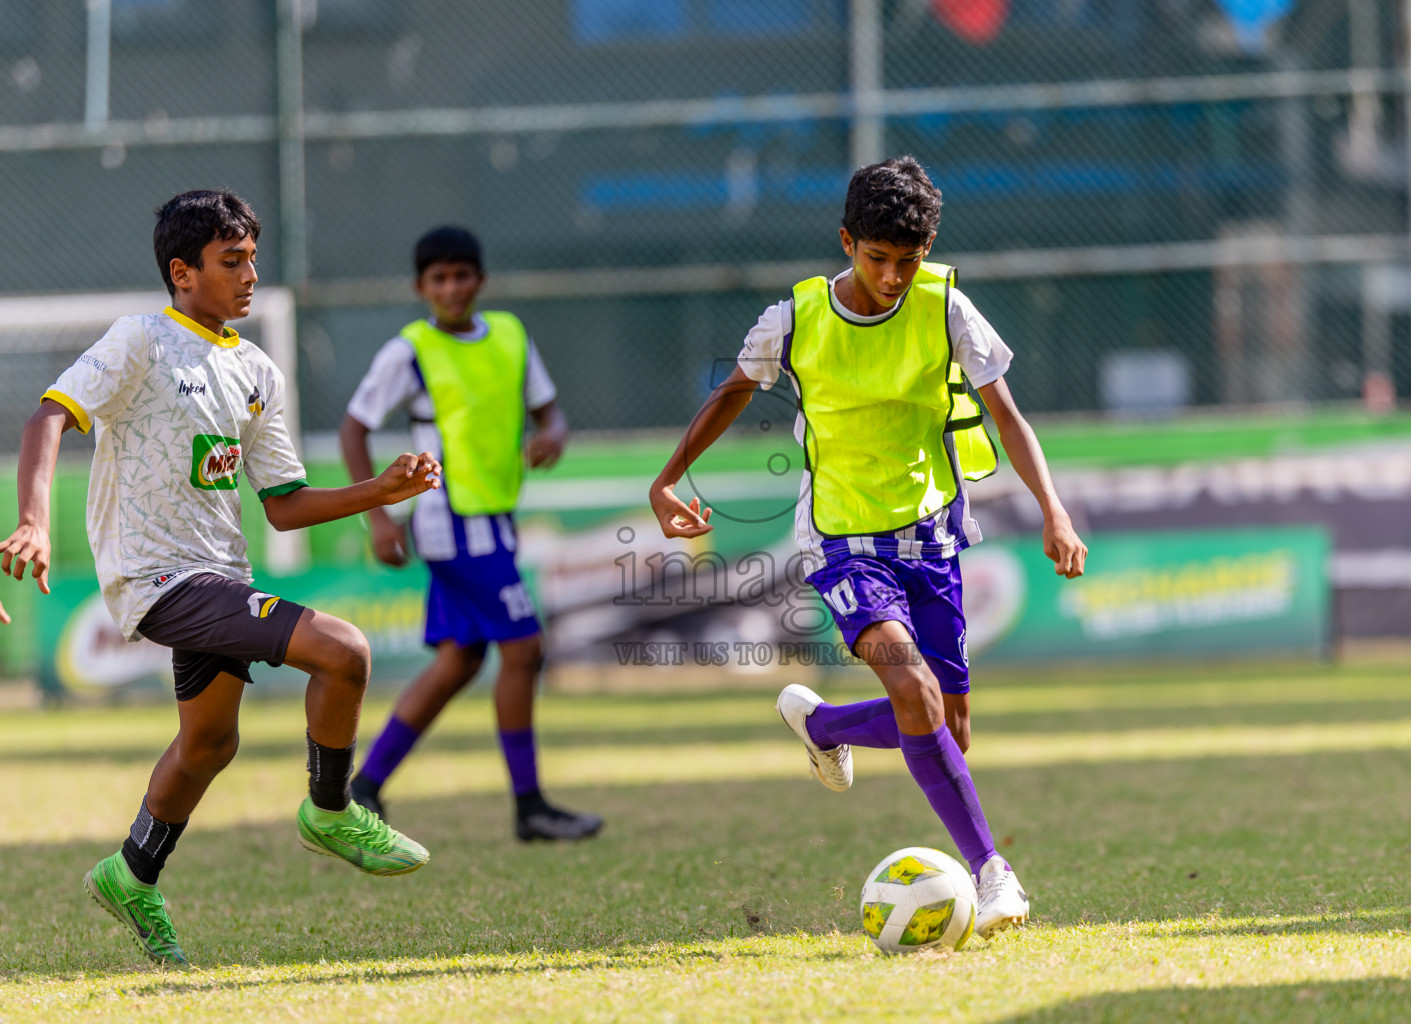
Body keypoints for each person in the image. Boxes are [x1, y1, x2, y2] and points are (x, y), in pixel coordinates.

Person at [647, 157, 1087, 937]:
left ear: (927, 251)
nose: (891, 276)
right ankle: (994, 873)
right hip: (841, 541)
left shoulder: (948, 307)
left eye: (907, 261)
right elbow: (732, 393)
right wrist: (668, 477)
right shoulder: (794, 319)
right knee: (910, 686)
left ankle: (824, 728)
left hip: (932, 534)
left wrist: (1052, 508)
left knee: (946, 727)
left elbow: (1007, 416)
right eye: (876, 258)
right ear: (847, 242)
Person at [0, 190, 439, 966]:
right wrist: (33, 521)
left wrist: (382, 491)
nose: (247, 276)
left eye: (251, 260)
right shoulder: (139, 340)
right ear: (182, 272)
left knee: (209, 743)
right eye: (229, 262)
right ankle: (332, 810)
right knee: (345, 650)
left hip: (220, 572)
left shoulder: (256, 369)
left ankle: (131, 874)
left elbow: (285, 506)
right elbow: (48, 416)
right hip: (157, 578)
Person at [341, 226, 602, 842]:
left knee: (461, 660)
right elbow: (355, 427)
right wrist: (377, 514)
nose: (452, 288)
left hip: (496, 517)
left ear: (480, 280)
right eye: (439, 278)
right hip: (449, 522)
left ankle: (364, 786)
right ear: (420, 287)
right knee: (524, 648)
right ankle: (530, 806)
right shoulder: (410, 350)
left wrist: (554, 435)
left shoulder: (510, 335)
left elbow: (549, 411)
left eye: (462, 276)